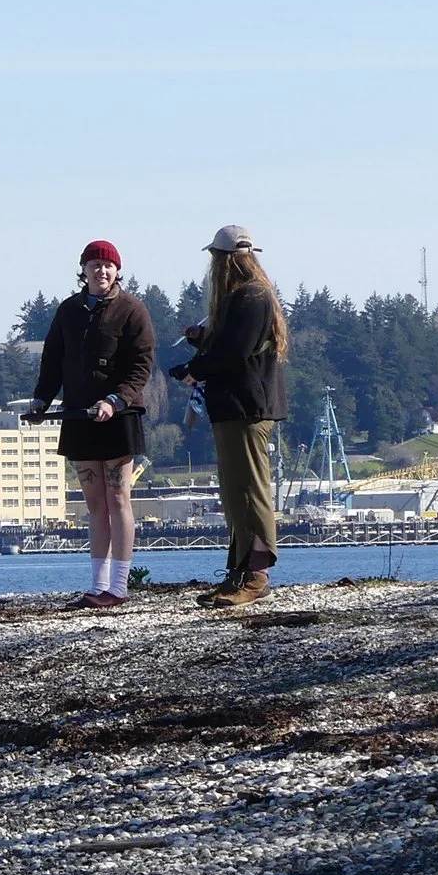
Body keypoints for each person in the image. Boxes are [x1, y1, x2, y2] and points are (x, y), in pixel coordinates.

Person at [27, 239, 155, 608]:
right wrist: (41, 400)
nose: (101, 270)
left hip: (119, 416)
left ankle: (119, 587)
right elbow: (52, 360)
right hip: (78, 415)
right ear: (82, 269)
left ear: (118, 270)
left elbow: (140, 366)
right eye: (94, 264)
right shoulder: (68, 311)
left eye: (108, 265)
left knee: (118, 497)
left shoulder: (133, 310)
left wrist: (115, 401)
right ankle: (97, 585)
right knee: (94, 503)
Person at [175, 224, 288, 607]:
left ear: (223, 260)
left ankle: (256, 574)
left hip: (246, 408)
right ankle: (239, 572)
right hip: (233, 407)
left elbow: (234, 354)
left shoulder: (252, 298)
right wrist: (202, 343)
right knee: (234, 493)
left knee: (249, 491)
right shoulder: (246, 298)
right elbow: (233, 347)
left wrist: (197, 367)